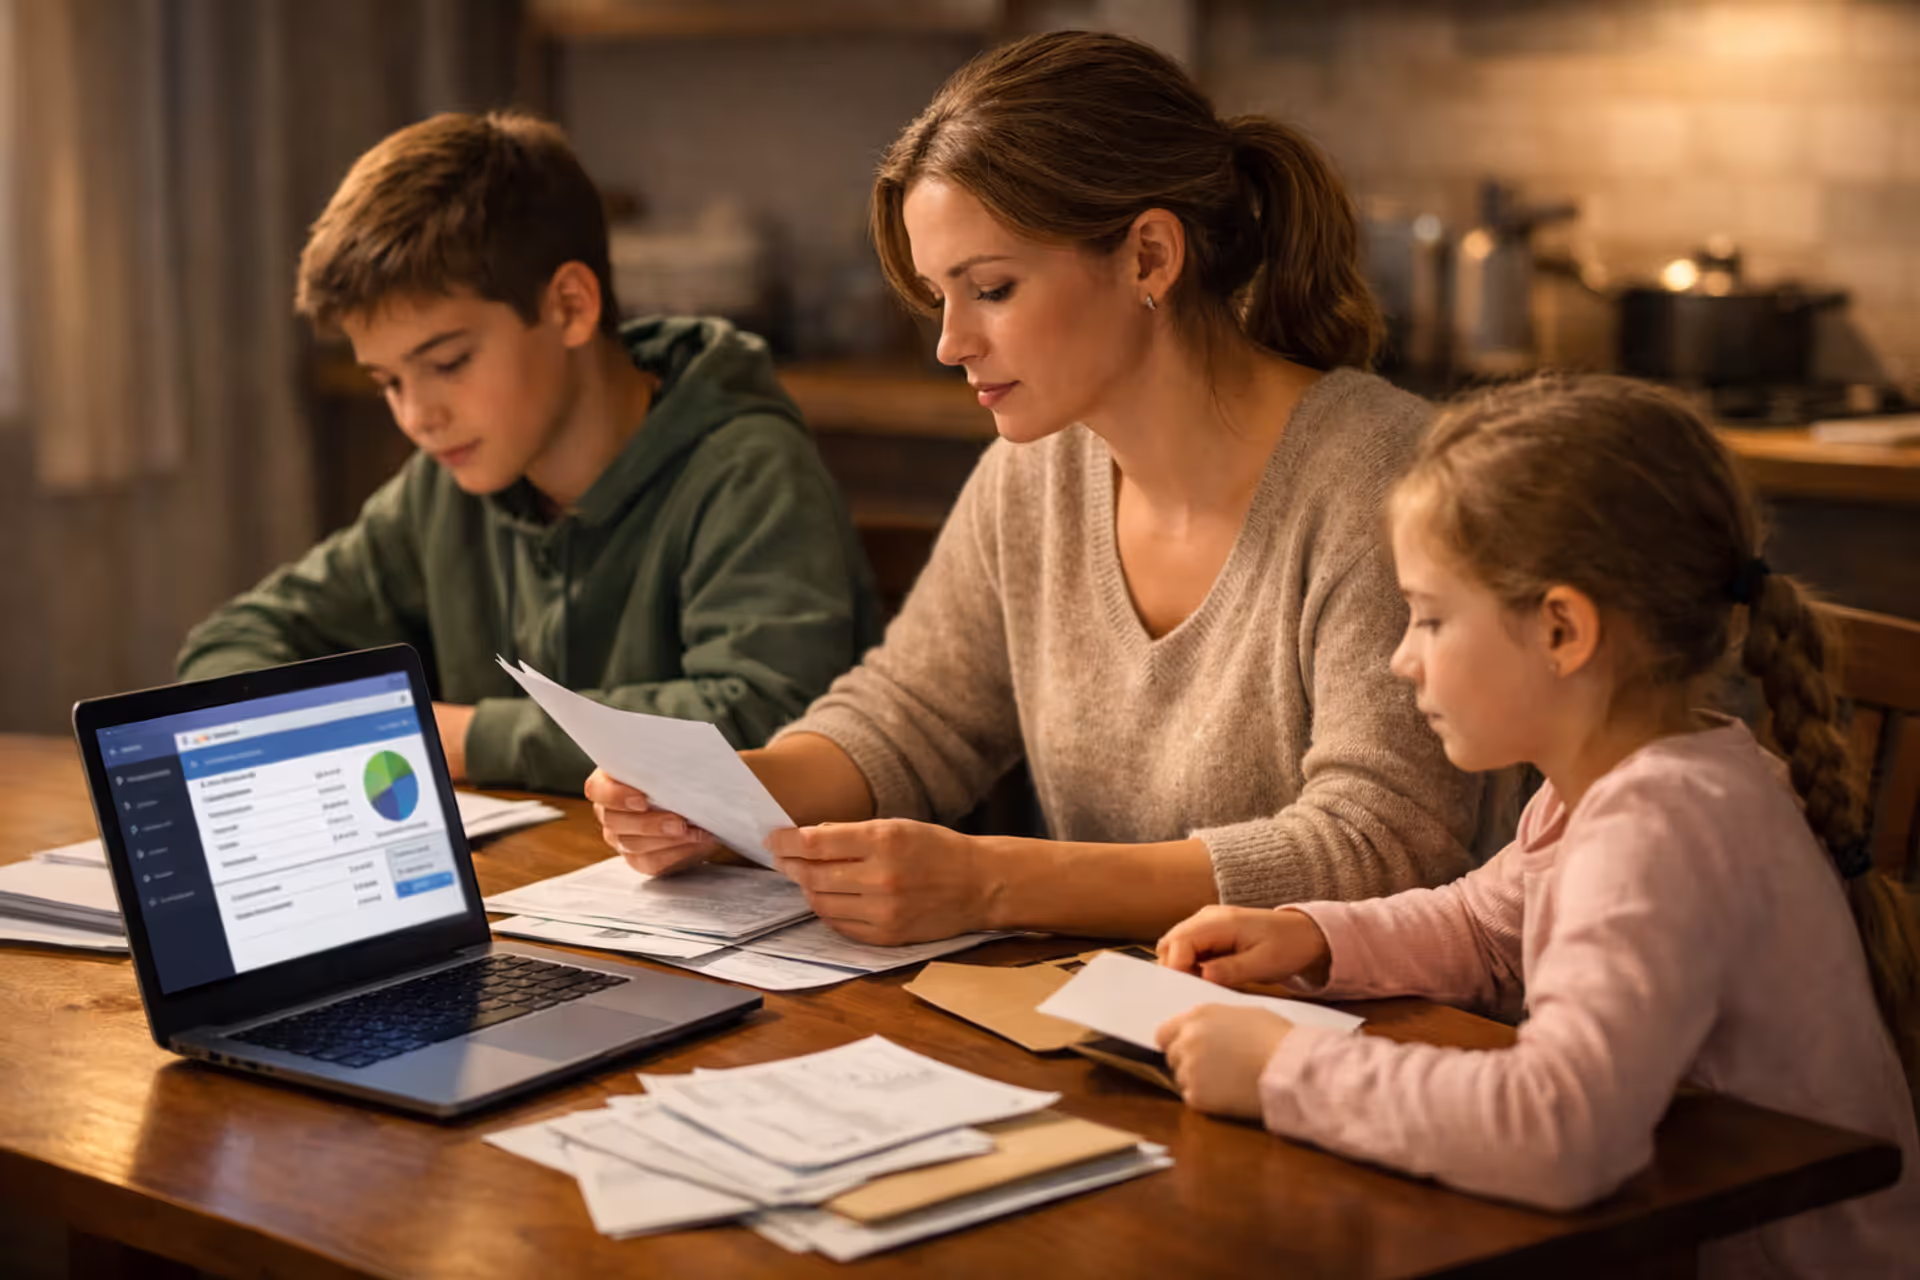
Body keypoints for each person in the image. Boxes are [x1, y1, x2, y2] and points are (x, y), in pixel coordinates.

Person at [590, 31, 1491, 944]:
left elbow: (1380, 845)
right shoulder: (1038, 469)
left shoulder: (1383, 480)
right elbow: (914, 714)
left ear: (1148, 257)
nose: (950, 345)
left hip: (1359, 1050)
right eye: (939, 296)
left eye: (992, 288)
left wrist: (997, 884)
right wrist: (722, 797)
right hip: (1123, 1027)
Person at [1154, 375, 1920, 1275]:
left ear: (1562, 630)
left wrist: (1283, 1071)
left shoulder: (1661, 830)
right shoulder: (1608, 785)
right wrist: (1309, 937)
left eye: (1431, 618)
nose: (1403, 658)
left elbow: (1558, 1131)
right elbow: (1484, 929)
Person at [177, 111, 881, 793]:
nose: (419, 416)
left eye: (448, 362)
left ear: (570, 306)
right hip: (532, 894)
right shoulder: (443, 486)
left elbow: (767, 726)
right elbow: (240, 639)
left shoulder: (746, 469)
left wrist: (468, 737)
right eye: (389, 382)